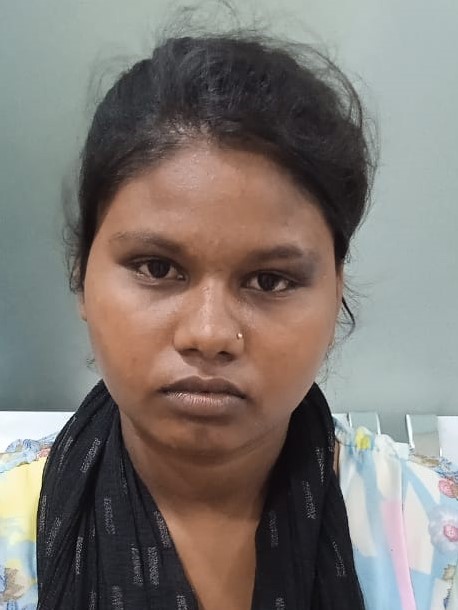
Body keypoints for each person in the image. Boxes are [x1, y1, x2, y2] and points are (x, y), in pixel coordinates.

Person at [0, 28, 457, 610]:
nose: (210, 334)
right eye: (157, 268)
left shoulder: (433, 533)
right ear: (80, 274)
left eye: (270, 281)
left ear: (336, 290)